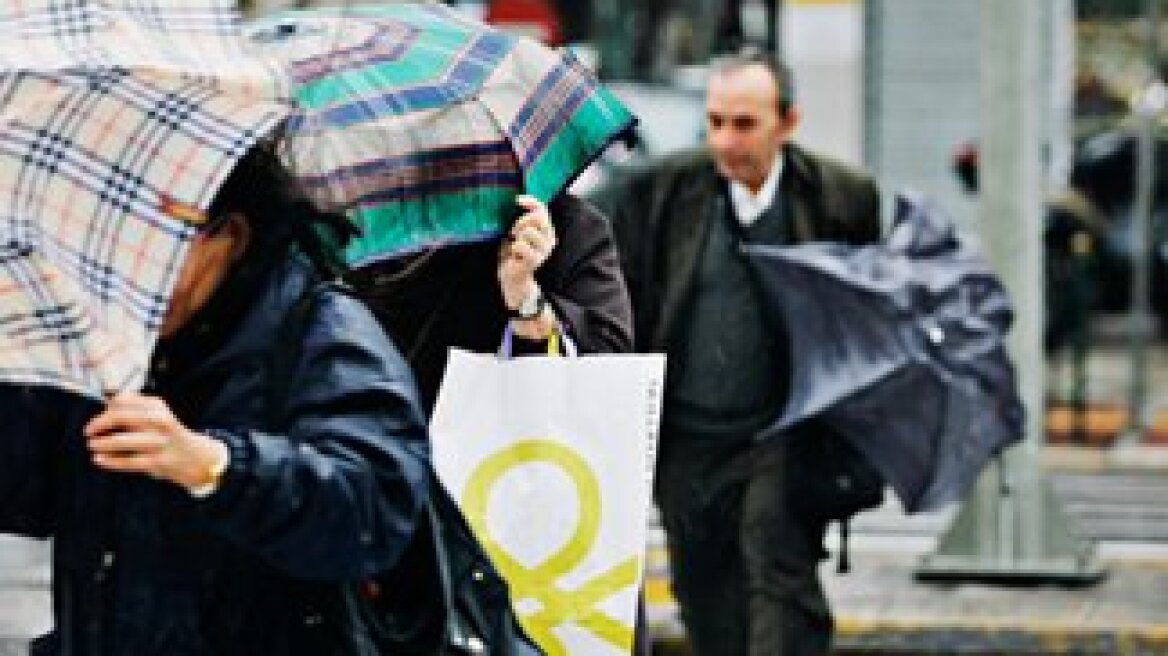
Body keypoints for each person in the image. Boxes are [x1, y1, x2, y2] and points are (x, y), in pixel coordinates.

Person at [33, 144, 432, 655]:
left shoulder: (319, 330)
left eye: (156, 242)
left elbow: (373, 508)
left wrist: (218, 467)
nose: (126, 271)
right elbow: (32, 490)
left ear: (230, 236)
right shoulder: (105, 340)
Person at [597, 49, 881, 655]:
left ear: (788, 123)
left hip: (785, 432)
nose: (725, 140)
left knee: (779, 577)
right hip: (686, 440)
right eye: (715, 121)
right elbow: (619, 296)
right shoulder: (660, 193)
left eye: (744, 124)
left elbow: (865, 321)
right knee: (704, 595)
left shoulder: (840, 198)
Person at [347, 192, 633, 412]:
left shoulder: (559, 224)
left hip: (505, 468)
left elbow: (604, 374)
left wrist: (526, 301)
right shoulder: (353, 222)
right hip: (372, 460)